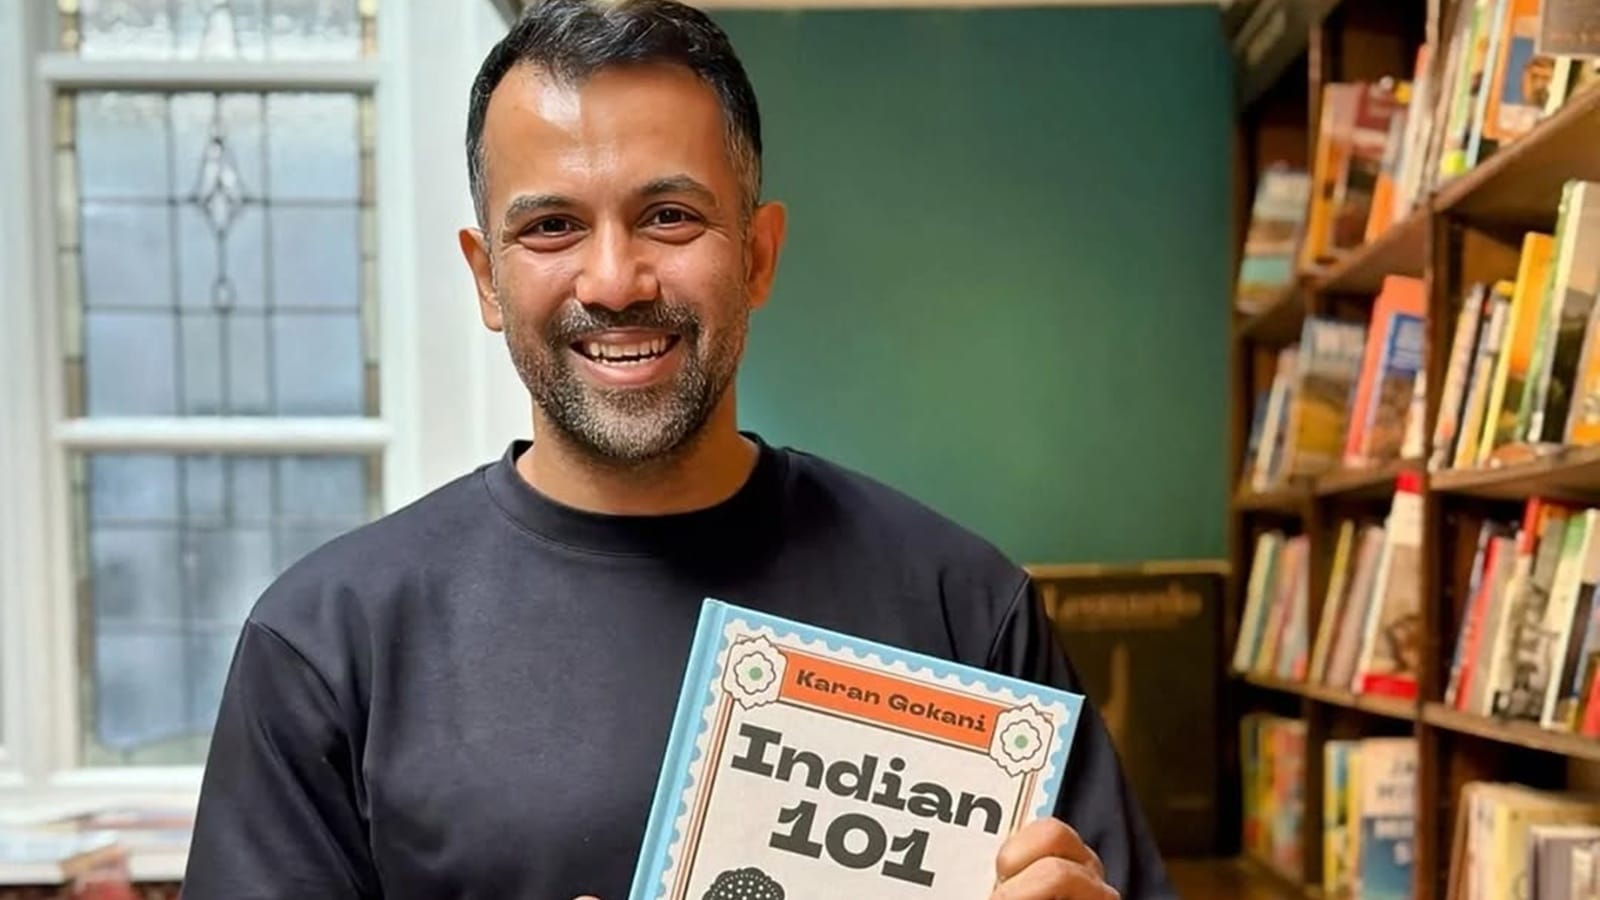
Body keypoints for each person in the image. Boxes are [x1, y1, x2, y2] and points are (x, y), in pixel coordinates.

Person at [181, 1, 1175, 897]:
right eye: (552, 226)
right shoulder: (325, 645)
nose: (615, 281)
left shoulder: (964, 607)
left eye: (669, 216)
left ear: (758, 256)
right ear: (486, 278)